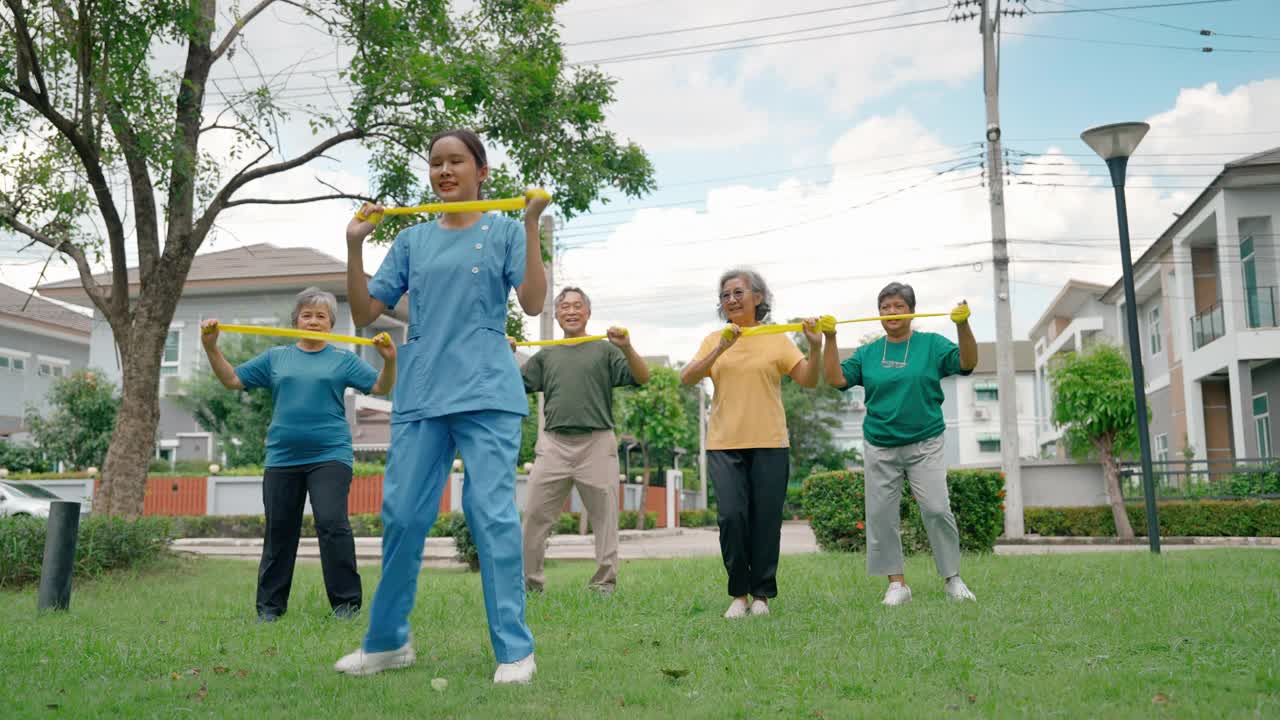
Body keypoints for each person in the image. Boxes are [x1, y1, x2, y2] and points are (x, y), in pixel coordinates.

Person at [336, 129, 549, 684]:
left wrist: (529, 224)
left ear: (482, 172)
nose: (444, 171)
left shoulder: (504, 228)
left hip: (486, 392)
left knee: (491, 515)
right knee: (403, 515)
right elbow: (364, 312)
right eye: (436, 163)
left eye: (456, 161)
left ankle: (514, 651)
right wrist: (357, 243)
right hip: (423, 392)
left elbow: (530, 303)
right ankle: (388, 643)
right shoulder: (410, 240)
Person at [199, 287, 396, 623]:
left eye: (322, 316)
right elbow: (232, 380)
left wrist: (390, 360)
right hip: (282, 457)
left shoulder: (343, 359)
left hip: (330, 454)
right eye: (308, 314)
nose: (314, 321)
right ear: (296, 321)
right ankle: (270, 609)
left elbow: (380, 388)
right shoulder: (277, 357)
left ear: (331, 324)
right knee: (280, 530)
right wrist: (210, 346)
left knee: (333, 525)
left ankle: (346, 605)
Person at [822, 282, 978, 606]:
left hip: (926, 442)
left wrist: (962, 324)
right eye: (885, 308)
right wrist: (831, 338)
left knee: (937, 509)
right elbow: (836, 379)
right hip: (880, 444)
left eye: (898, 306)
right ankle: (897, 584)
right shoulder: (869, 353)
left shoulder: (931, 345)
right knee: (881, 515)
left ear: (912, 310)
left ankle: (952, 578)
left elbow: (967, 363)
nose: (891, 313)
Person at [680, 268, 822, 619]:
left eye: (738, 292)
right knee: (731, 517)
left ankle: (761, 595)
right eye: (725, 294)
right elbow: (687, 378)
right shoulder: (714, 338)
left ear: (758, 298)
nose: (730, 299)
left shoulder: (776, 338)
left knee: (765, 520)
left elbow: (807, 378)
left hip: (770, 442)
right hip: (724, 442)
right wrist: (720, 349)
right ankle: (738, 594)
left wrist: (816, 347)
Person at [513, 287, 650, 595]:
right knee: (534, 515)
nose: (571, 311)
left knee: (605, 518)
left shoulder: (605, 349)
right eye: (565, 307)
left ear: (588, 313)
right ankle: (529, 584)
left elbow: (642, 377)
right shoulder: (546, 354)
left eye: (578, 306)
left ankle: (604, 584)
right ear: (557, 314)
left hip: (597, 443)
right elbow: (513, 385)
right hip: (553, 445)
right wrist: (503, 355)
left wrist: (627, 347)